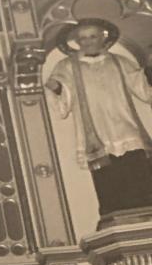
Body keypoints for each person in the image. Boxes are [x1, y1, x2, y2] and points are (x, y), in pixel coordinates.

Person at [45, 18, 152, 219]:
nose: (87, 42)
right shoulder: (67, 65)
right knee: (107, 174)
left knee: (135, 165)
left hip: (124, 123)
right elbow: (61, 90)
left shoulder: (119, 62)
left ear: (103, 38)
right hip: (96, 130)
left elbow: (142, 88)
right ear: (76, 41)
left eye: (92, 37)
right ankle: (113, 213)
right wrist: (57, 88)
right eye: (82, 38)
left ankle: (145, 208)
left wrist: (149, 73)